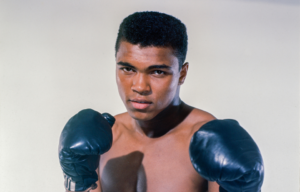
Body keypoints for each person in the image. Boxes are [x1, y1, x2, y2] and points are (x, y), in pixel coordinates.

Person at [58, 11, 264, 192]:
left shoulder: (206, 141)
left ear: (182, 74)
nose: (140, 86)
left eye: (157, 72)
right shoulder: (103, 136)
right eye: (128, 69)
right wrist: (78, 182)